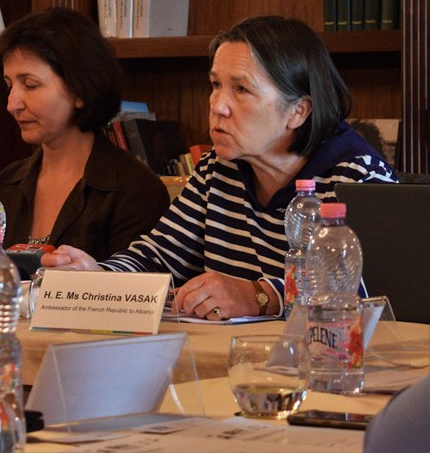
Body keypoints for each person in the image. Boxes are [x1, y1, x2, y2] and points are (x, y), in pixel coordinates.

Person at [41, 16, 398, 319]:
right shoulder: (219, 167)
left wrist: (261, 296)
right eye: (215, 85)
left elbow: (374, 294)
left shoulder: (358, 177)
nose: (217, 106)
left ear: (298, 111)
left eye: (241, 89)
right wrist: (96, 276)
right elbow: (159, 256)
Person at [0, 7, 170, 261]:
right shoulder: (7, 183)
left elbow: (132, 282)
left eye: (30, 85)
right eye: (9, 85)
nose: (12, 104)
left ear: (80, 90)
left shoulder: (135, 190)